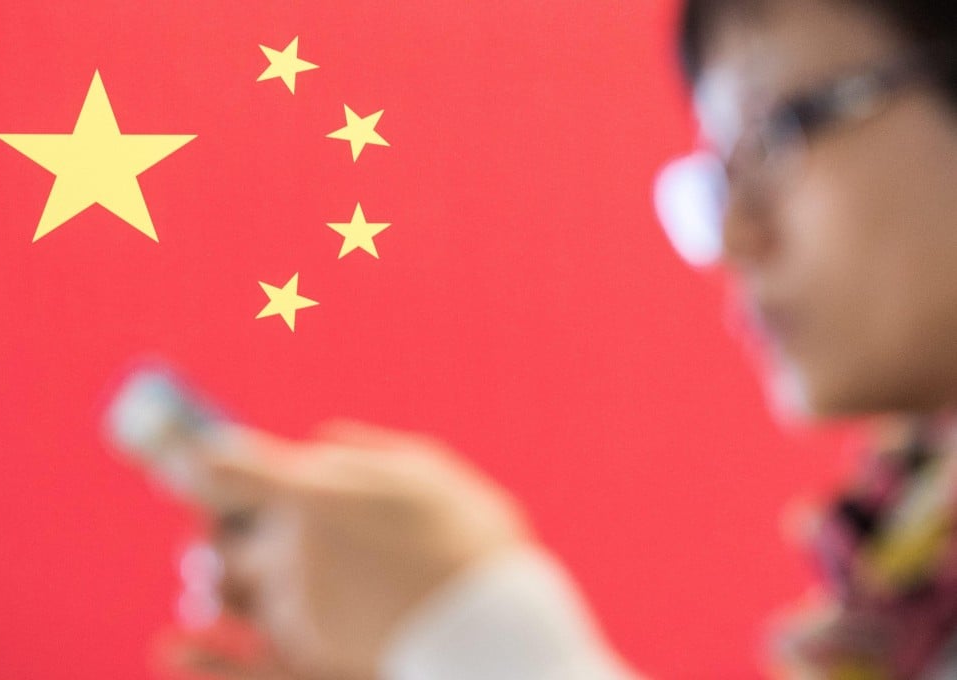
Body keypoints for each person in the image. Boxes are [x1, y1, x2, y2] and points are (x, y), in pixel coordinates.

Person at [160, 1, 957, 678]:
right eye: (714, 177)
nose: (732, 234)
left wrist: (482, 640)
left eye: (780, 132)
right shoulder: (906, 559)